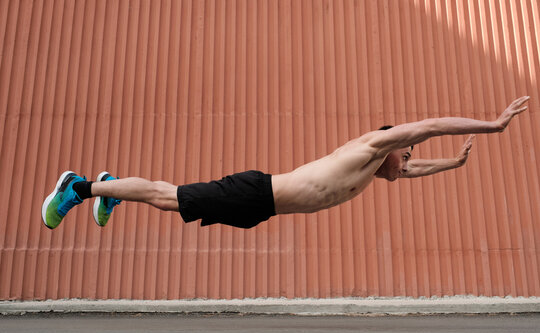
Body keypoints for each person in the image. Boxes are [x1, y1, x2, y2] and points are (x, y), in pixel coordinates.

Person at [42, 96, 530, 229]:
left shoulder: (375, 173)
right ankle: (82, 187)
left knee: (172, 205)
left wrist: (455, 167)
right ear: (390, 145)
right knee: (169, 198)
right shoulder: (369, 149)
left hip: (261, 209)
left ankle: (110, 185)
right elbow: (429, 125)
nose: (407, 160)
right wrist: (492, 125)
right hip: (258, 192)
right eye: (405, 153)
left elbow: (413, 171)